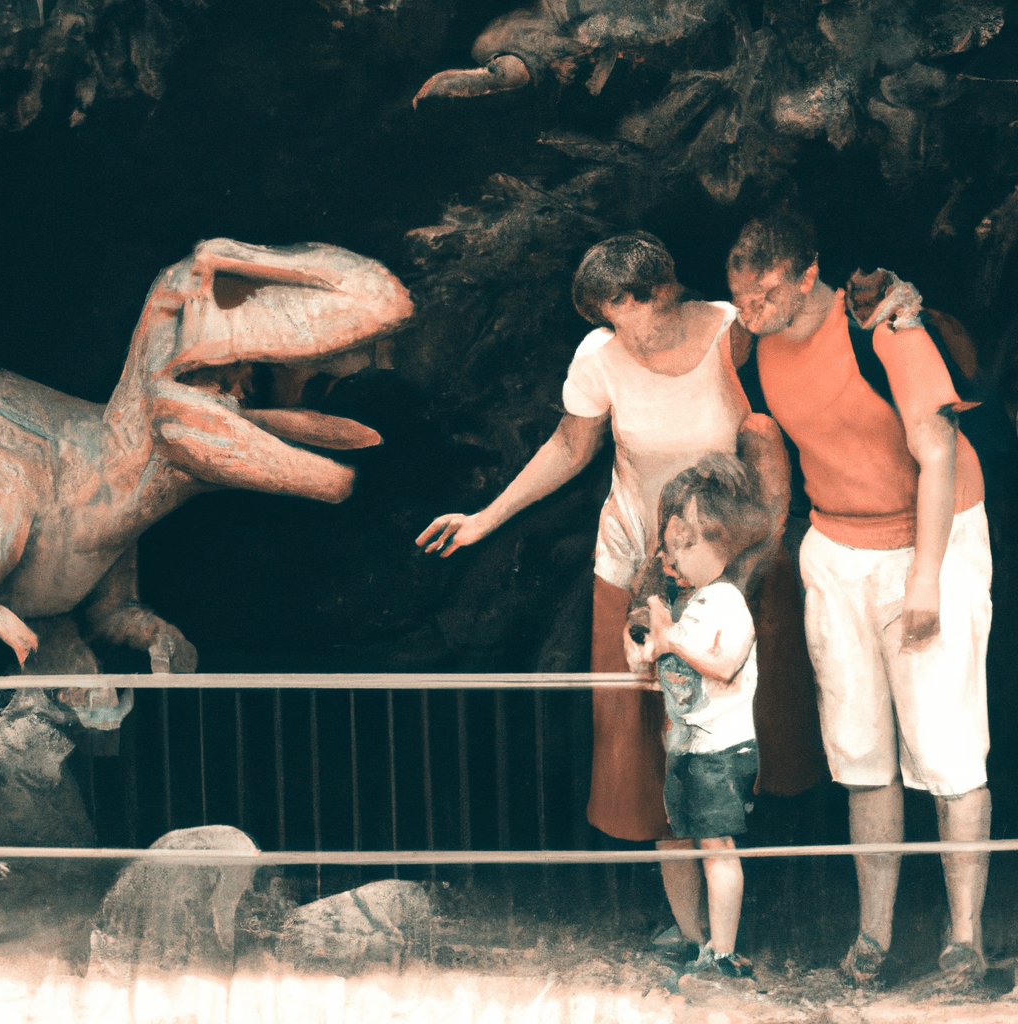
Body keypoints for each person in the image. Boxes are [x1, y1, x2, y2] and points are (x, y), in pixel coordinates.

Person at [417, 232, 790, 946]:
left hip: (726, 576)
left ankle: (742, 925)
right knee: (647, 746)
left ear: (663, 290)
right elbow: (570, 447)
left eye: (629, 310)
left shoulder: (729, 332)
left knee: (736, 739)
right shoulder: (599, 357)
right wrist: (483, 519)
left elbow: (777, 416)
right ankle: (689, 927)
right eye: (606, 316)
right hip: (635, 569)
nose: (622, 332)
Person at [726, 211, 993, 989]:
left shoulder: (884, 327)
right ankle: (872, 937)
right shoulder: (751, 346)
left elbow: (937, 452)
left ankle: (965, 939)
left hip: (930, 537)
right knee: (860, 752)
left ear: (808, 275)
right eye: (740, 296)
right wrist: (761, 571)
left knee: (944, 747)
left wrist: (925, 579)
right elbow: (773, 461)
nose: (752, 309)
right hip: (837, 549)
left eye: (765, 292)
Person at [625, 452, 766, 978]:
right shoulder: (690, 604)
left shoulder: (728, 601)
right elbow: (650, 666)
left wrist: (671, 642)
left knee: (716, 847)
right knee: (687, 840)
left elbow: (725, 666)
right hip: (685, 746)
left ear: (718, 542)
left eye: (686, 543)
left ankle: (723, 955)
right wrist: (646, 639)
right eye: (671, 544)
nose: (672, 555)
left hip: (720, 750)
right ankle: (700, 942)